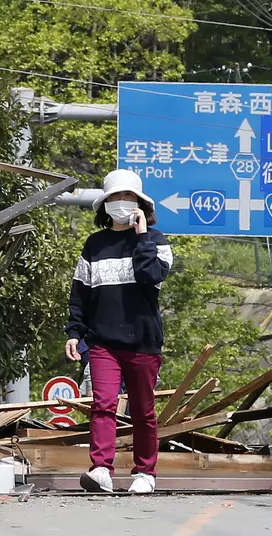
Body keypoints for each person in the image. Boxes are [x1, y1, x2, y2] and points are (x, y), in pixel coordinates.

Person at [65, 169, 172, 494]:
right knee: (103, 404)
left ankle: (145, 473)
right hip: (102, 342)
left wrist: (142, 237)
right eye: (115, 196)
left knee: (143, 410)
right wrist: (74, 332)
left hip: (143, 341)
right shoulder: (94, 244)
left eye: (128, 197)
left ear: (140, 204)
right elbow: (80, 293)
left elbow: (151, 276)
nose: (121, 202)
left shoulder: (156, 241)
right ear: (105, 203)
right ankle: (101, 469)